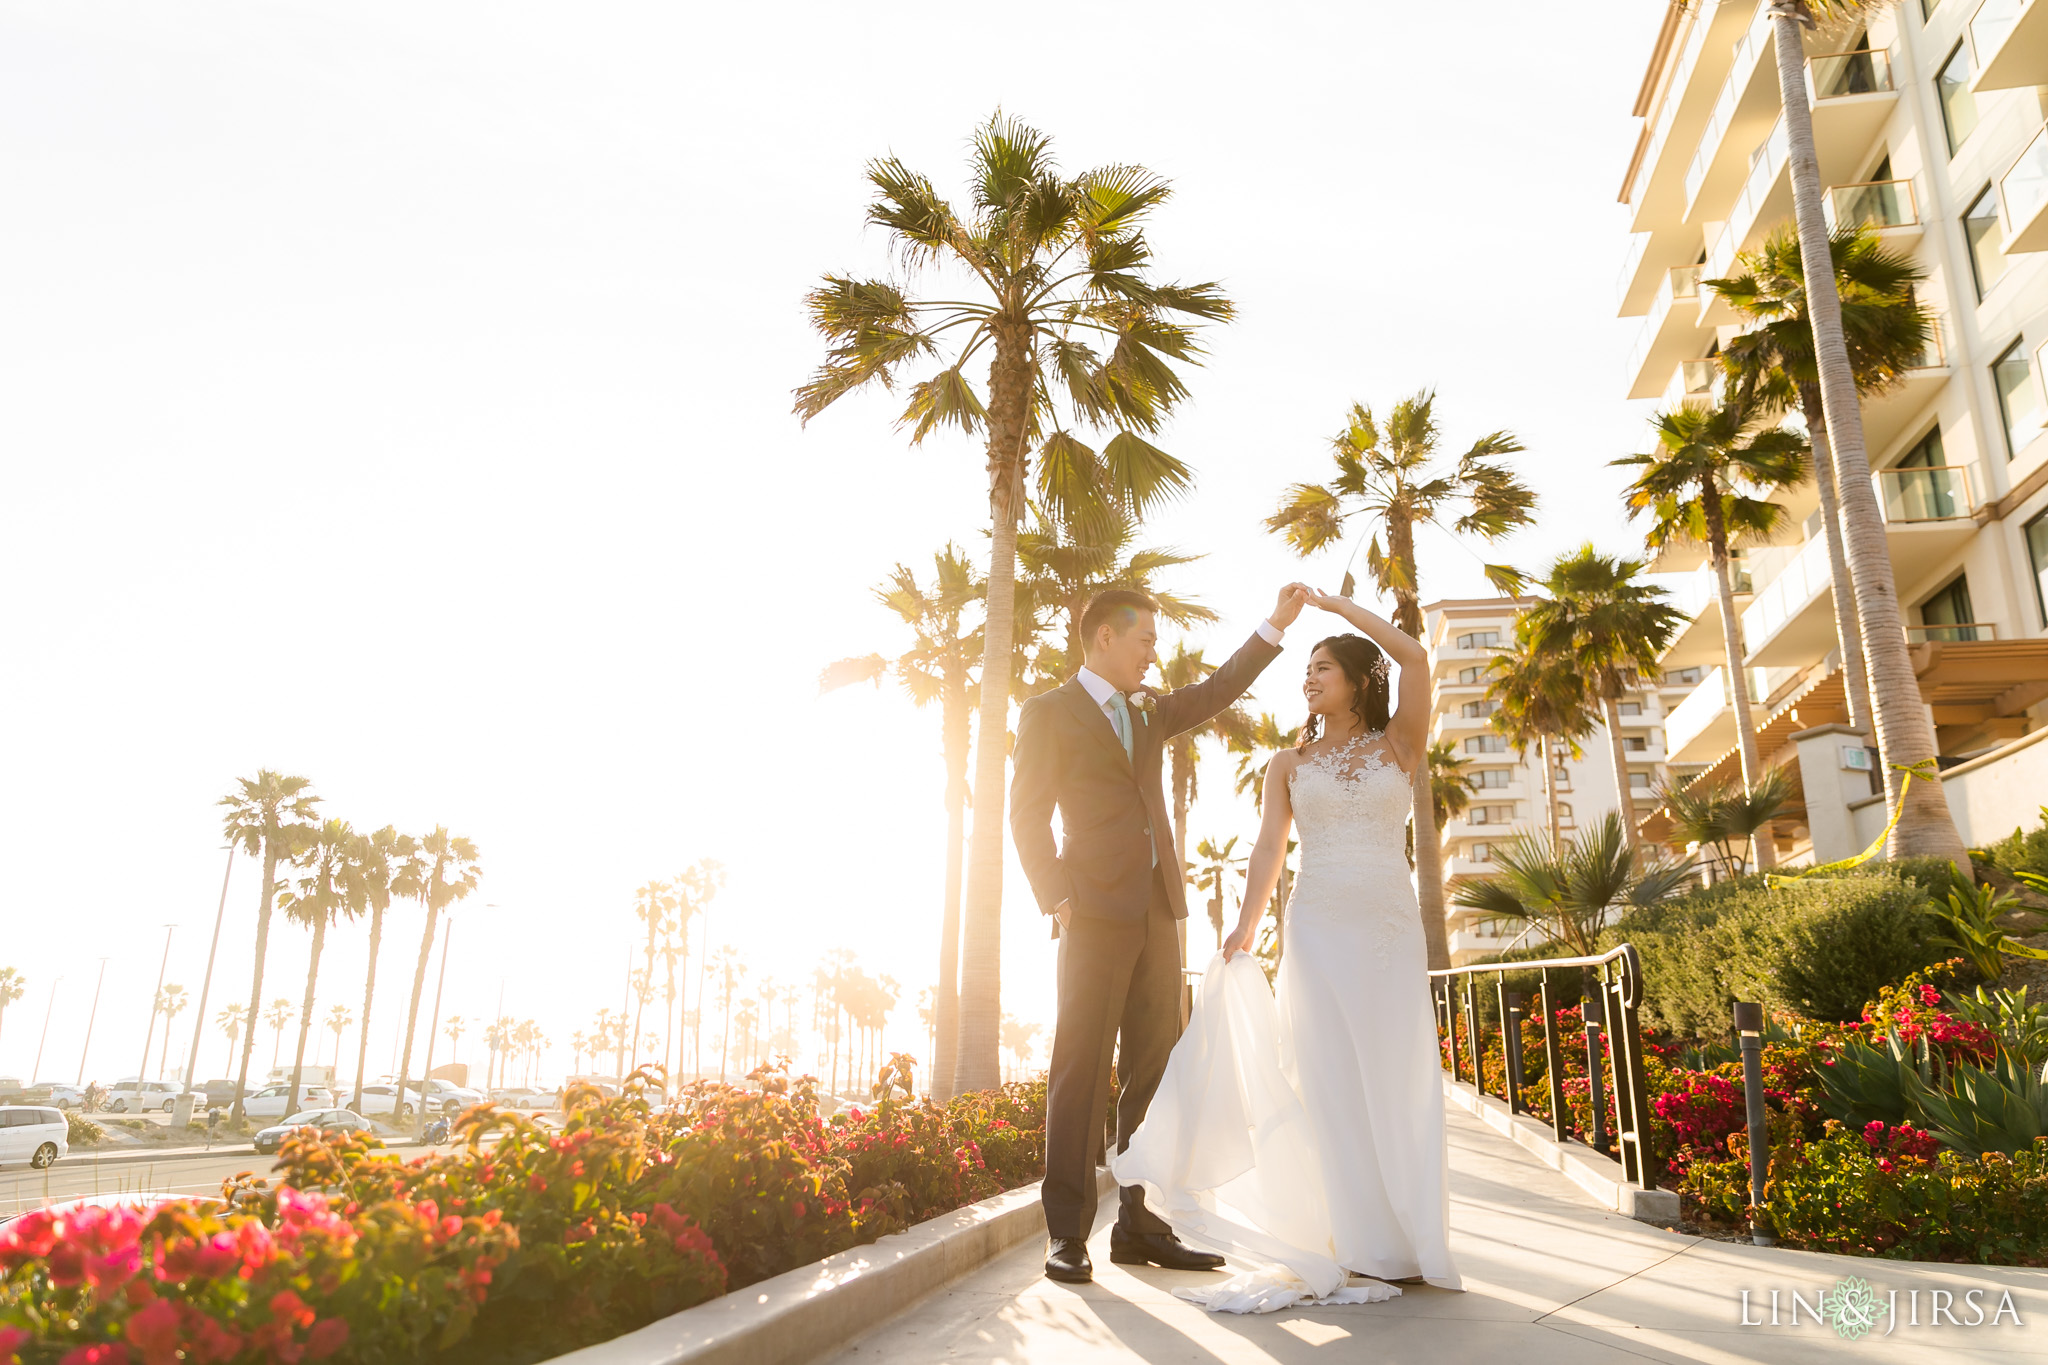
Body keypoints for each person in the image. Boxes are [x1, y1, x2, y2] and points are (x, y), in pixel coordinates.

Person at [1111, 588, 1465, 1313]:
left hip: (1390, 933)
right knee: (1329, 1082)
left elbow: (1415, 654)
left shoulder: (1399, 742)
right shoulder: (1287, 763)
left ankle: (1409, 1241)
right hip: (1315, 931)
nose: (1309, 679)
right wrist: (1244, 927)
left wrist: (1339, 606)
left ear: (1360, 680)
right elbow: (1270, 847)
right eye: (1306, 669)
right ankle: (1356, 1244)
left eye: (1324, 666)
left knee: (1399, 1080)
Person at [1011, 583, 1312, 1285]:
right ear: (1105, 638)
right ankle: (1067, 1232)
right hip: (1089, 910)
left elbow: (1217, 688)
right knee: (1080, 1068)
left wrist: (1274, 623)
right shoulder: (1047, 712)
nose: (1154, 651)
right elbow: (1026, 813)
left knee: (1154, 1068)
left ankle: (1139, 1223)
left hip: (1159, 909)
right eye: (1144, 638)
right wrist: (1056, 896)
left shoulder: (1149, 710)